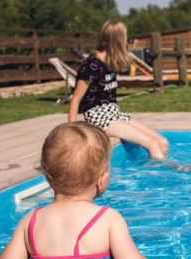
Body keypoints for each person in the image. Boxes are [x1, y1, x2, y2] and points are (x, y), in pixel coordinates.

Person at [0, 122, 155, 259]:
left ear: (47, 176)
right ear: (102, 179)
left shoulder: (30, 221)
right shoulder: (107, 218)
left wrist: (34, 256)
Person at [68, 20, 169, 160]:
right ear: (118, 41)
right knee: (152, 145)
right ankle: (165, 173)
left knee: (162, 142)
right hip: (99, 118)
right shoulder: (91, 65)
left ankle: (156, 168)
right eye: (125, 38)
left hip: (114, 113)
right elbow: (75, 99)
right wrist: (71, 134)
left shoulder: (110, 61)